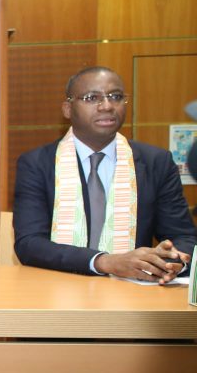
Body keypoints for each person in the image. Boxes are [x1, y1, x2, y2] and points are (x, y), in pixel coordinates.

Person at [13, 66, 196, 282]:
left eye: (115, 97)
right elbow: (29, 244)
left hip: (133, 292)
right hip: (56, 288)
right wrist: (104, 262)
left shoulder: (155, 162)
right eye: (92, 98)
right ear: (67, 109)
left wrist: (171, 261)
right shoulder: (36, 164)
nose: (107, 106)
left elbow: (183, 237)